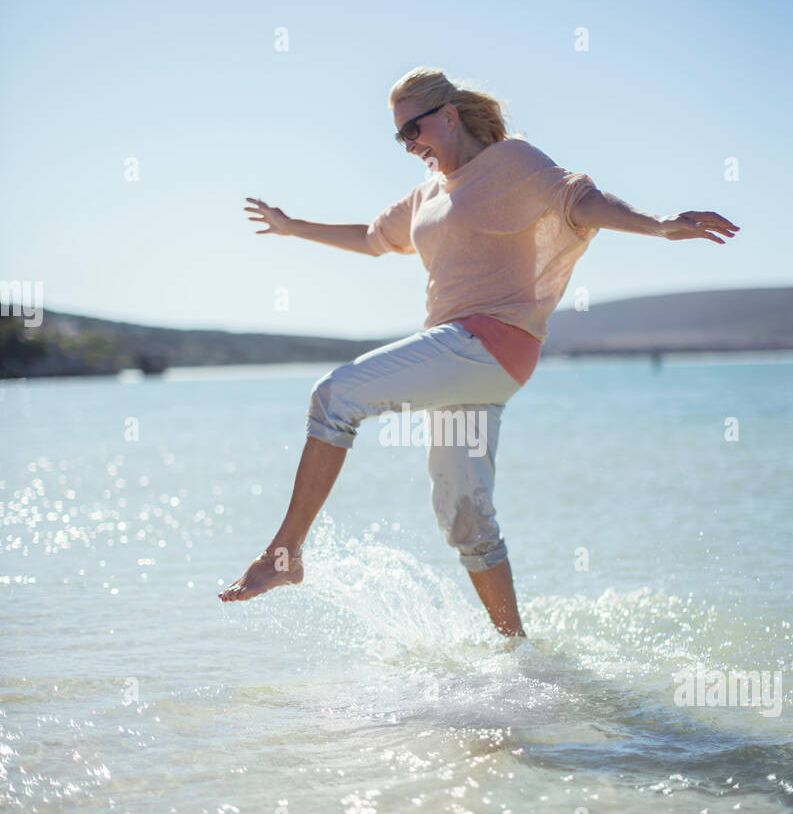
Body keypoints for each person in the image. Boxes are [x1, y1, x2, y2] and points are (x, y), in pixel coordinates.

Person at [218, 66, 738, 636]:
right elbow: (371, 239)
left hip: (485, 344)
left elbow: (579, 202)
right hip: (461, 367)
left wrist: (659, 224)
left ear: (449, 115)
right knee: (465, 519)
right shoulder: (427, 194)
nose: (409, 144)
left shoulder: (511, 163)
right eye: (399, 137)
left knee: (334, 396)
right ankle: (517, 653)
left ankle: (284, 555)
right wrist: (293, 228)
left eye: (413, 129)